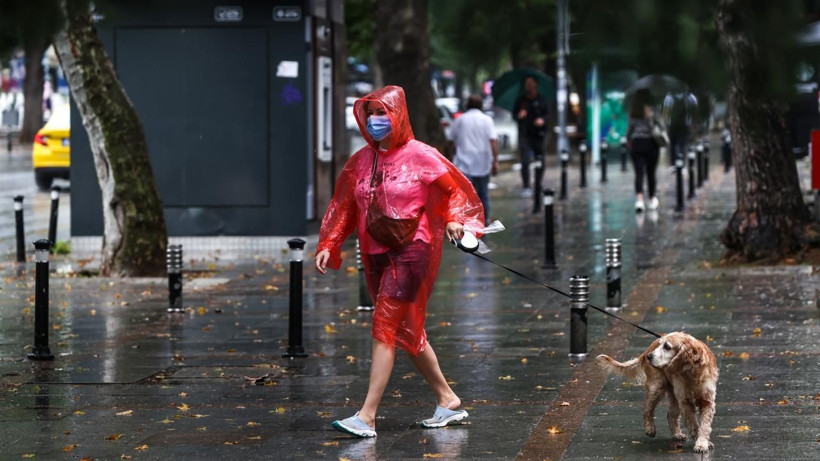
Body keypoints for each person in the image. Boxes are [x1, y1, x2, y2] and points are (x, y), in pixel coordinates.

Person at [315, 85, 484, 438]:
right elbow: (346, 205)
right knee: (407, 331)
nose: (375, 120)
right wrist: (329, 242)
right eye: (370, 113)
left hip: (412, 249)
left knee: (384, 325)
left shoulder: (421, 155)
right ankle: (447, 399)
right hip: (376, 253)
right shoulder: (361, 161)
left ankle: (367, 416)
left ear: (398, 115)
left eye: (382, 113)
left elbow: (454, 190)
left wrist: (454, 218)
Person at [447, 94, 498, 225]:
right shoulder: (487, 120)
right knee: (483, 194)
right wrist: (495, 161)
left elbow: (451, 141)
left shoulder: (460, 120)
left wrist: (450, 159)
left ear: (467, 105)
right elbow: (493, 141)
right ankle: (484, 220)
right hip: (483, 162)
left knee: (466, 196)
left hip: (464, 163)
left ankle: (466, 220)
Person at [514, 75, 549, 197]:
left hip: (538, 135)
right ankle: (526, 185)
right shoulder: (521, 100)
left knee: (540, 160)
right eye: (526, 83)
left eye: (530, 83)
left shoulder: (541, 99)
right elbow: (515, 115)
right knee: (525, 161)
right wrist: (520, 115)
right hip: (525, 135)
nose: (528, 86)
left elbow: (548, 115)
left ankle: (538, 182)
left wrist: (542, 120)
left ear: (535, 85)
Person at [626, 96, 661, 213]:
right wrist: (650, 119)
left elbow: (630, 130)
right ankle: (651, 199)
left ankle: (640, 200)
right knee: (651, 173)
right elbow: (660, 127)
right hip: (651, 144)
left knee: (639, 173)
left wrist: (628, 140)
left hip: (637, 144)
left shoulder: (633, 112)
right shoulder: (653, 111)